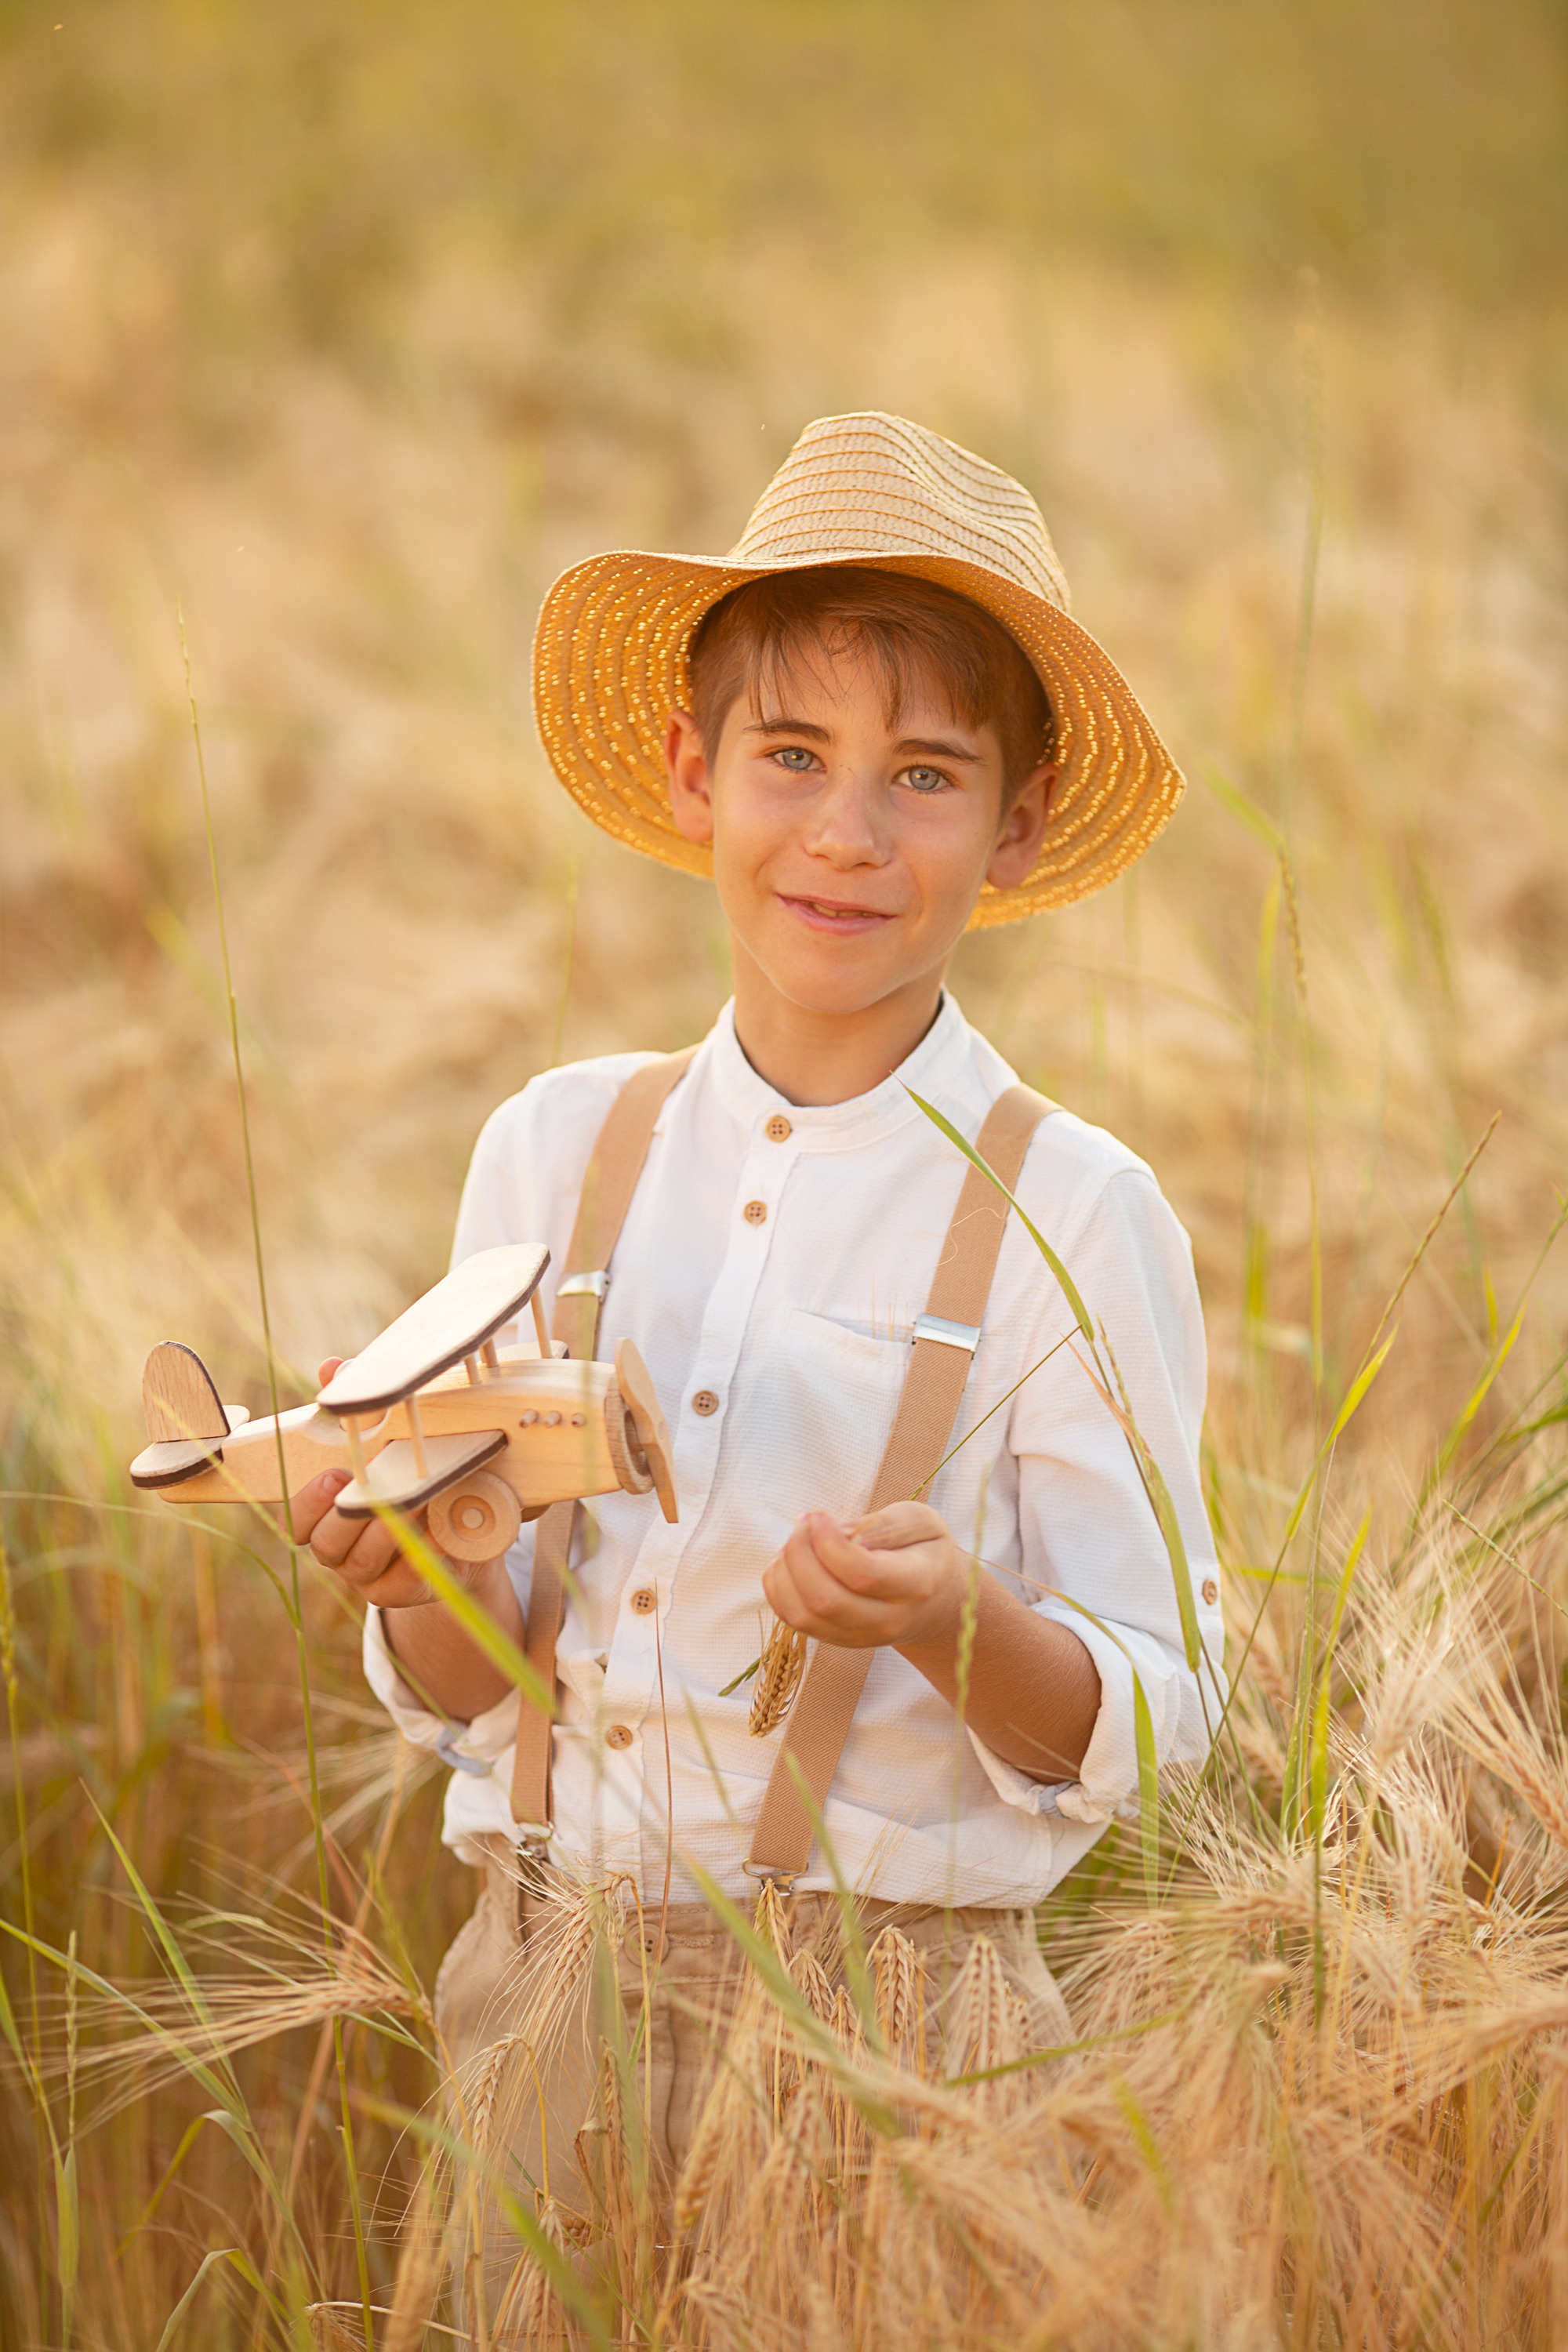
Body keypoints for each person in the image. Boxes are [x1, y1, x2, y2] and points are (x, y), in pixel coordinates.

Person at [291, 410, 1225, 2292]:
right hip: (538, 1996)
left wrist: (956, 1620)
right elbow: (485, 1685)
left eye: (925, 776)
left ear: (1018, 822)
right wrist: (423, 1579)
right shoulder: (554, 1150)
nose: (843, 834)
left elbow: (1161, 1719)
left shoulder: (1079, 1211)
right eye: (790, 756)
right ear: (691, 767)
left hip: (894, 2054)